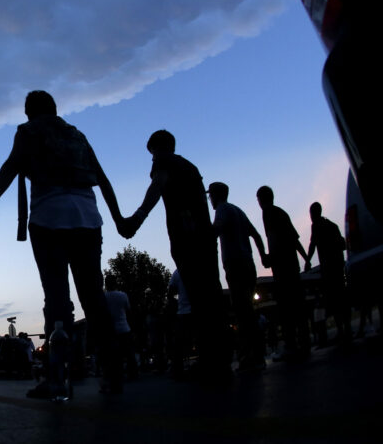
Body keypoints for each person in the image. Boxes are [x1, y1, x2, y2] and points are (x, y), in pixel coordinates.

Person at [0, 90, 125, 396]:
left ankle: (57, 377)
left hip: (49, 219)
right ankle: (112, 374)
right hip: (88, 218)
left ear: (28, 112)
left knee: (57, 298)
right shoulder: (77, 135)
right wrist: (119, 219)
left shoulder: (28, 131)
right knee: (94, 298)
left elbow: (11, 166)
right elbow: (102, 179)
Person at [120, 130, 232, 380]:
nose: (152, 160)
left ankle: (210, 362)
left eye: (152, 154)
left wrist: (137, 218)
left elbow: (157, 186)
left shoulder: (164, 162)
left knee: (198, 299)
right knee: (211, 297)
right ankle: (220, 360)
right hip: (204, 238)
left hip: (186, 237)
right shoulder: (190, 167)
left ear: (159, 149)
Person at [207, 181, 267, 371]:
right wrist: (263, 256)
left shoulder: (222, 209)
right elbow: (256, 235)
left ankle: (250, 357)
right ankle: (257, 355)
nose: (209, 199)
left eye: (210, 196)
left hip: (235, 265)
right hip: (248, 263)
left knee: (242, 312)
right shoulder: (238, 211)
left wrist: (203, 236)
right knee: (248, 310)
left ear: (216, 195)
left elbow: (216, 229)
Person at [256, 186, 311, 361]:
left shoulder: (267, 213)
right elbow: (294, 240)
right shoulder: (282, 213)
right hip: (292, 265)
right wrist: (306, 259)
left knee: (286, 307)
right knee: (298, 304)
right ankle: (304, 343)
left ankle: (290, 345)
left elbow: (273, 238)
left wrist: (269, 258)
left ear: (260, 199)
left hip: (282, 267)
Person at [305, 201, 351, 343]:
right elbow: (342, 244)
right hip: (337, 266)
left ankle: (341, 330)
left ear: (314, 213)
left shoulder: (317, 226)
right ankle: (347, 328)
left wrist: (307, 261)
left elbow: (312, 244)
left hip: (329, 268)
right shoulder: (332, 225)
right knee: (341, 297)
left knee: (335, 299)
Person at [104, 274, 138, 380]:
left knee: (113, 355)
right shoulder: (123, 295)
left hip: (111, 330)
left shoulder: (104, 297)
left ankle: (116, 374)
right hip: (124, 327)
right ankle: (133, 373)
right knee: (129, 353)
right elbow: (128, 311)